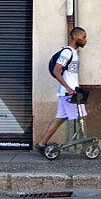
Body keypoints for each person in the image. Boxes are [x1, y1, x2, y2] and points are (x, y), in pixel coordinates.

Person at [35, 26, 88, 154]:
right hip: (69, 93)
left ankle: (42, 144)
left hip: (68, 92)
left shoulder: (74, 53)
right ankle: (87, 147)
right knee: (82, 117)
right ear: (75, 37)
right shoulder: (67, 52)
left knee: (59, 119)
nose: (85, 40)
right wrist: (68, 88)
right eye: (84, 37)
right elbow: (56, 70)